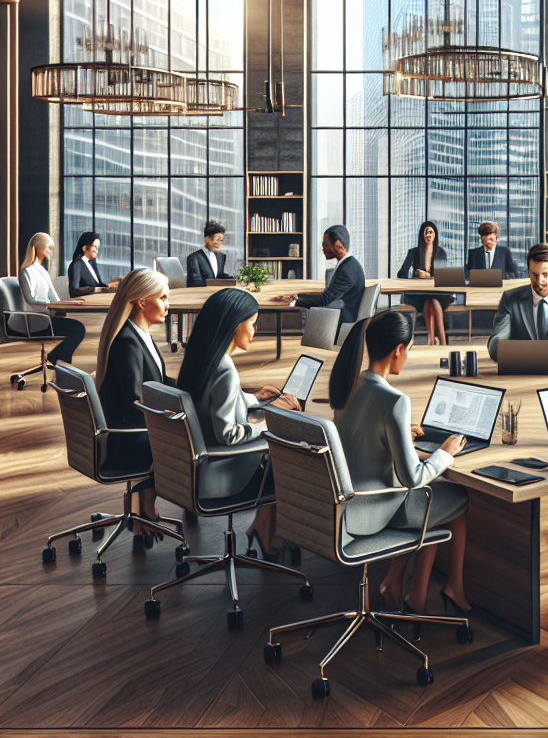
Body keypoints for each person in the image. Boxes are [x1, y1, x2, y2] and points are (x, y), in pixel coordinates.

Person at [331, 310, 471, 618]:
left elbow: (356, 438)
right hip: (371, 512)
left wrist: (397, 434)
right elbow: (413, 478)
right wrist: (444, 453)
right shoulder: (395, 400)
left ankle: (404, 586)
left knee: (432, 502)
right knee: (455, 498)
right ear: (399, 350)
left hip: (342, 506)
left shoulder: (347, 386)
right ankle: (453, 588)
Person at [176, 287, 301, 557]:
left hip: (194, 466)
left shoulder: (202, 358)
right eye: (252, 324)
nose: (255, 331)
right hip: (221, 472)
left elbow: (212, 402)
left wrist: (255, 399)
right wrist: (268, 421)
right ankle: (268, 534)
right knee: (288, 454)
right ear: (235, 326)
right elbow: (229, 435)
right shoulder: (225, 369)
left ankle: (261, 527)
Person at [95, 268, 173, 538]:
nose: (168, 304)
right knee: (183, 441)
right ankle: (145, 510)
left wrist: (194, 390)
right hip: (125, 438)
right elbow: (134, 402)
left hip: (132, 431)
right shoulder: (128, 341)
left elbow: (157, 381)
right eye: (162, 298)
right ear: (142, 302)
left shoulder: (140, 334)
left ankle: (141, 510)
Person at [18, 232, 86, 365]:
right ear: (37, 248)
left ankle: (59, 360)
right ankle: (57, 360)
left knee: (78, 328)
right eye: (47, 248)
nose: (49, 251)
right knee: (78, 330)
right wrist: (50, 305)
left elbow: (54, 296)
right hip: (37, 319)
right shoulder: (26, 272)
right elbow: (30, 300)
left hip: (47, 316)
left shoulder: (42, 271)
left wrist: (68, 303)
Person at [274, 224, 366, 322]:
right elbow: (326, 296)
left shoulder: (347, 270)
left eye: (325, 244)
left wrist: (295, 303)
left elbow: (325, 300)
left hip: (341, 321)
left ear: (338, 244)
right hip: (340, 317)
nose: (323, 248)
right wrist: (298, 296)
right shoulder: (349, 265)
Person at [398, 221, 452, 346]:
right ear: (422, 234)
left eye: (431, 232)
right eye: (426, 232)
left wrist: (432, 276)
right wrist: (417, 274)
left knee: (432, 300)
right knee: (430, 301)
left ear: (435, 235)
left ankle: (432, 338)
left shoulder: (441, 252)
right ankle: (441, 340)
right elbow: (401, 274)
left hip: (438, 293)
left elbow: (442, 275)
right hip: (419, 293)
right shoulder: (414, 252)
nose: (428, 235)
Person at [67, 231, 121, 297]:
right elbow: (74, 290)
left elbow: (99, 286)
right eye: (95, 247)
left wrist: (113, 284)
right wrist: (96, 289)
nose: (97, 251)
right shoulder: (77, 264)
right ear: (85, 248)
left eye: (97, 248)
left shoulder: (92, 264)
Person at [185, 220, 235, 287]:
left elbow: (218, 276)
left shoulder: (221, 256)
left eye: (222, 240)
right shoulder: (194, 258)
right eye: (217, 240)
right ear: (207, 239)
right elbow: (194, 282)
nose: (220, 243)